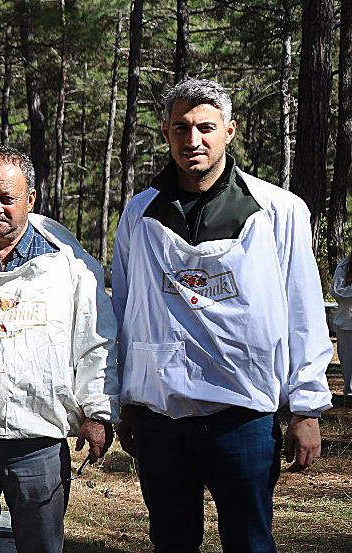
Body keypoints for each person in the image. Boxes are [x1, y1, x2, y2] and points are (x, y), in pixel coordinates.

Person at [113, 77, 332, 553]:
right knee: (171, 541)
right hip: (161, 417)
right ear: (166, 132)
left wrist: (306, 407)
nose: (193, 139)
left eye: (205, 127)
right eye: (181, 127)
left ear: (229, 131)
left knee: (249, 542)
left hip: (243, 416)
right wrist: (125, 400)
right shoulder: (140, 213)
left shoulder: (278, 211)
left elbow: (303, 311)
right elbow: (125, 310)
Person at [0, 145, 118, 553]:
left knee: (40, 545)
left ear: (31, 198)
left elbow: (95, 339)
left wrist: (98, 412)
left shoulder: (69, 265)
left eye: (6, 198)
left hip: (37, 439)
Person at [332, 253, 352, 396]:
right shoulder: (345, 265)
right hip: (347, 322)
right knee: (348, 361)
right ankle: (350, 394)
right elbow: (336, 290)